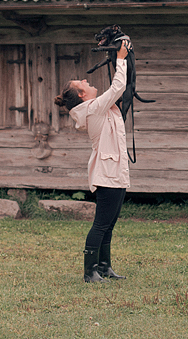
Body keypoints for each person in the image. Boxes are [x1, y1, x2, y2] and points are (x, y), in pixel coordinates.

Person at [54, 40, 130, 283]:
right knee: (100, 224)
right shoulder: (93, 109)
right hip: (107, 174)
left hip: (115, 172)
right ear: (81, 95)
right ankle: (90, 272)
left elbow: (119, 94)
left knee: (109, 224)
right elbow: (118, 86)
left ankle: (105, 267)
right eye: (82, 83)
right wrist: (121, 58)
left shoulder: (98, 108)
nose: (86, 81)